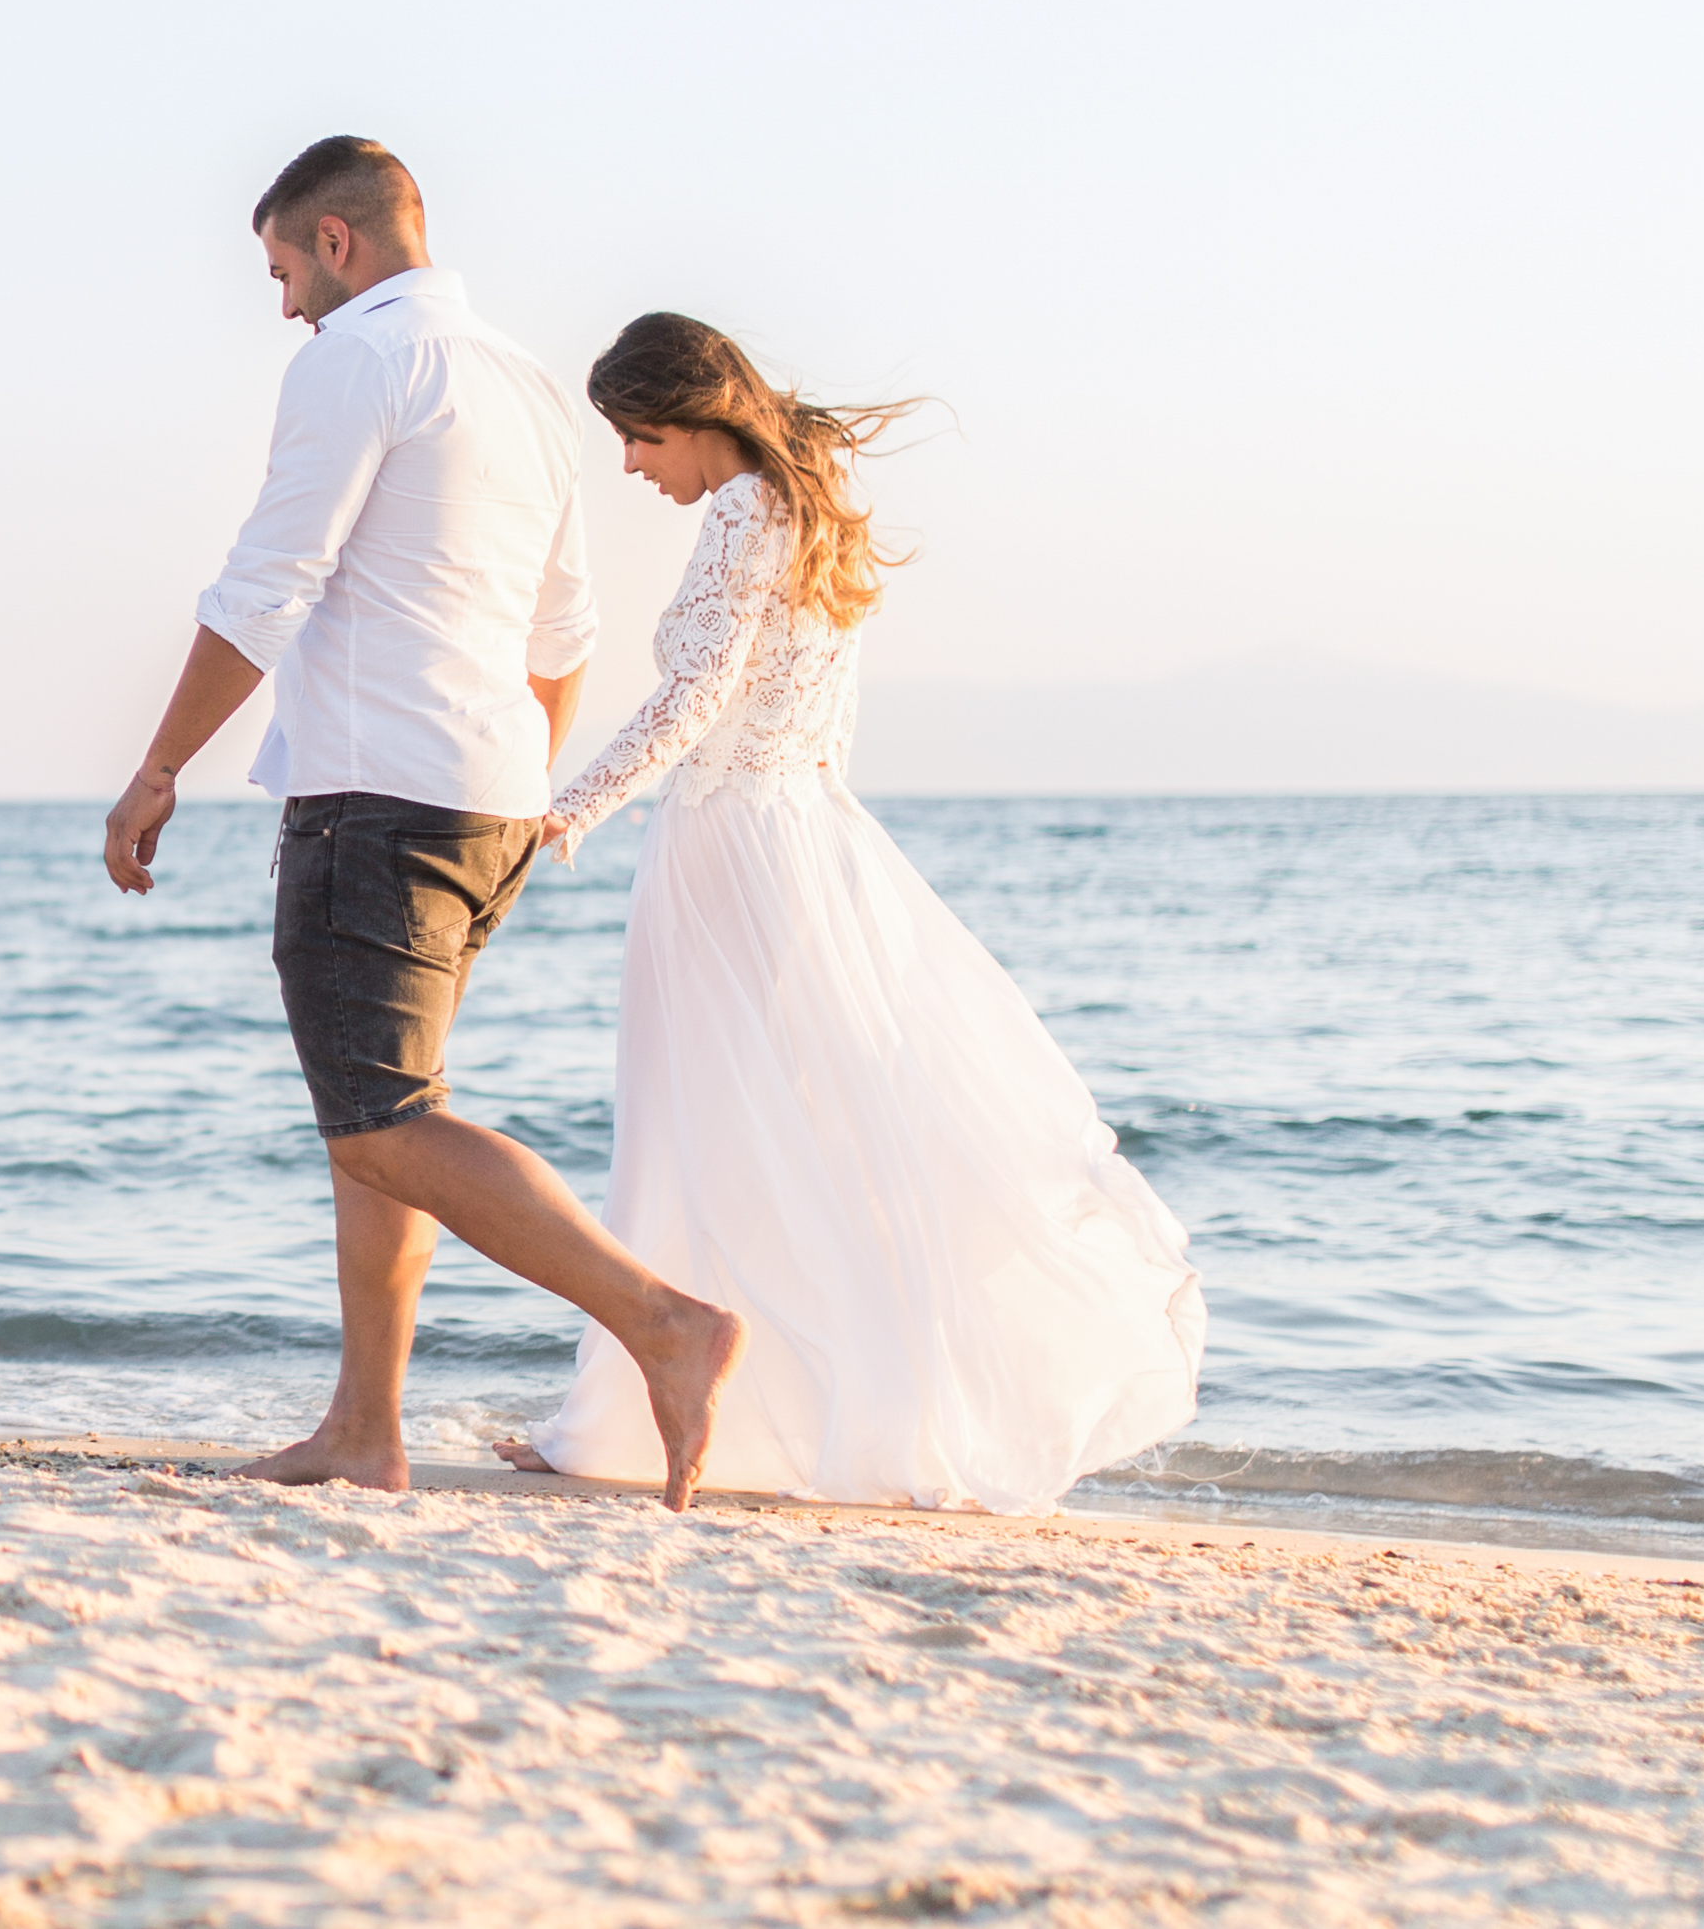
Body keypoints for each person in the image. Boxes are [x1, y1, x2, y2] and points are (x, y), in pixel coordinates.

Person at [105, 138, 747, 1507]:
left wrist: (159, 767)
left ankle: (664, 1323)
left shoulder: (356, 360)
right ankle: (363, 1429)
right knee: (383, 1116)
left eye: (282, 270)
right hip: (490, 799)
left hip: (374, 794)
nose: (284, 303)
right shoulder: (526, 384)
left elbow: (267, 583)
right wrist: (510, 780)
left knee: (380, 1121)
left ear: (336, 242)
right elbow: (565, 631)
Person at [497, 313, 1206, 1510]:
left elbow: (695, 697)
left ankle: (639, 1421)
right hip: (806, 839)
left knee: (699, 1133)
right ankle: (753, 1416)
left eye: (638, 438)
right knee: (792, 1136)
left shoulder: (740, 510)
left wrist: (564, 813)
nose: (629, 465)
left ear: (690, 418)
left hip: (729, 847)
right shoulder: (811, 502)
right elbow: (824, 717)